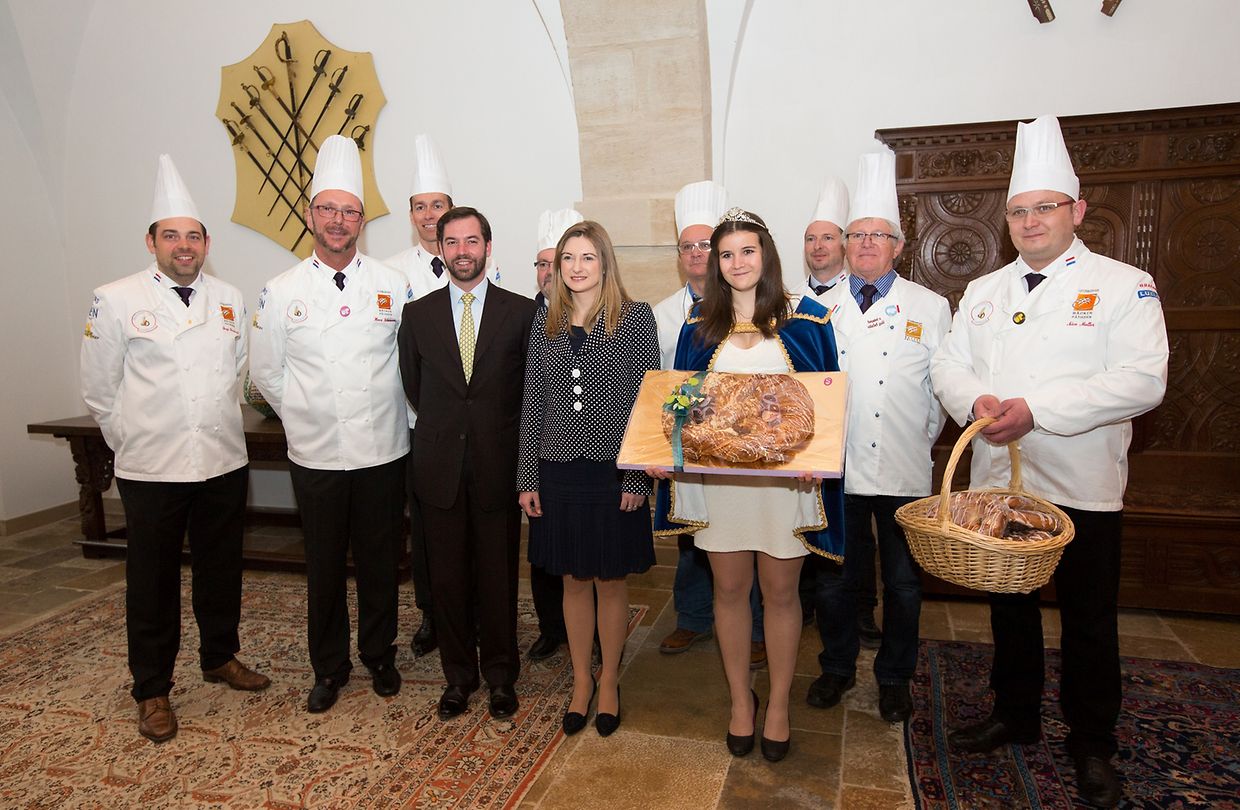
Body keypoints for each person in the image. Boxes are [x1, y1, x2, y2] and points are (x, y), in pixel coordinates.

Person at [930, 115, 1168, 808]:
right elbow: (949, 363)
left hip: (1082, 487)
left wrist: (1038, 409)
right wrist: (975, 399)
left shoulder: (1126, 285)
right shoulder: (985, 291)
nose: (1031, 222)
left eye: (1045, 208)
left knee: (1089, 620)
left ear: (1077, 212)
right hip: (1000, 485)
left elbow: (1142, 380)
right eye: (1019, 211)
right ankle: (1016, 712)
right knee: (1010, 607)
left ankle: (1093, 742)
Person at [81, 154, 269, 743]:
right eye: (172, 236)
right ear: (152, 241)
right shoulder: (113, 300)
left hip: (221, 462)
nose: (183, 246)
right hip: (152, 468)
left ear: (206, 242)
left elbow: (239, 373)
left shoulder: (232, 297)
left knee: (221, 569)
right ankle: (153, 689)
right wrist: (135, 440)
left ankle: (219, 656)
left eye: (193, 236)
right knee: (152, 581)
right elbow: (99, 388)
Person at [653, 208, 845, 762]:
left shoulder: (808, 321)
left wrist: (820, 457)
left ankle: (779, 703)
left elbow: (824, 400)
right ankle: (742, 701)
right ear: (715, 262)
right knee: (730, 592)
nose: (737, 263)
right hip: (721, 485)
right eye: (727, 253)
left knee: (782, 595)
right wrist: (666, 451)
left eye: (748, 251)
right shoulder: (698, 324)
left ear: (767, 255)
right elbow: (680, 403)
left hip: (784, 487)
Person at [250, 135, 412, 713]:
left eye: (349, 212)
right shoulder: (279, 292)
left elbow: (408, 363)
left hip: (384, 450)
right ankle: (329, 666)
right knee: (322, 566)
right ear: (310, 214)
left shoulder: (394, 285)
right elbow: (267, 373)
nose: (338, 221)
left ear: (361, 220)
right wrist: (308, 417)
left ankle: (379, 655)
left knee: (380, 561)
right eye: (328, 210)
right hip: (316, 454)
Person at [811, 147, 951, 723]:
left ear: (898, 245)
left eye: (879, 235)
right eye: (857, 234)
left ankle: (895, 676)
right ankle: (837, 668)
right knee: (835, 583)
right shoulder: (817, 307)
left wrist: (914, 435)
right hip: (837, 467)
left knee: (903, 586)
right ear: (845, 244)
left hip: (902, 468)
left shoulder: (931, 305)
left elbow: (943, 392)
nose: (867, 243)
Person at [518, 221, 659, 737]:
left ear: (605, 263)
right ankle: (581, 679)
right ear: (557, 267)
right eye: (568, 259)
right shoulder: (545, 323)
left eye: (587, 258)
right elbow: (532, 405)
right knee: (573, 580)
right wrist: (526, 476)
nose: (576, 268)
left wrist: (636, 480)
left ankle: (609, 683)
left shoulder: (635, 320)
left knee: (609, 579)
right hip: (557, 473)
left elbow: (644, 407)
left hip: (611, 473)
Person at [399, 206, 537, 721]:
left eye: (471, 241)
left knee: (497, 579)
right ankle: (459, 678)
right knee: (448, 583)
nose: (462, 251)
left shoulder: (521, 313)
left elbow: (529, 392)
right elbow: (417, 387)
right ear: (440, 249)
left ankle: (501, 676)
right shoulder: (419, 315)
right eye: (451, 242)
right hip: (438, 472)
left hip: (498, 469)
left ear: (487, 246)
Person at [384, 134, 496, 658]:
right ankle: (434, 613)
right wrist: (430, 411)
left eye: (438, 206)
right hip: (423, 425)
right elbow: (408, 364)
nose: (430, 216)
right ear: (412, 216)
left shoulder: (484, 269)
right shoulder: (390, 272)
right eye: (420, 207)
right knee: (432, 534)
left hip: (479, 430)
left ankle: (478, 614)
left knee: (478, 534)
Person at [655, 182, 767, 670]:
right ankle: (692, 616)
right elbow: (657, 388)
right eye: (689, 246)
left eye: (708, 245)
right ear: (680, 255)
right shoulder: (661, 314)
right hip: (689, 447)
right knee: (693, 538)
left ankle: (758, 630)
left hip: (754, 451)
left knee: (756, 543)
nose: (698, 254)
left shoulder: (772, 311)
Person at [800, 175, 880, 643]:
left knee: (858, 536)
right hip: (811, 439)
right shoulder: (792, 301)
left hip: (862, 440)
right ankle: (810, 604)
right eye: (811, 238)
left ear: (844, 245)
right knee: (808, 525)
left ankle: (864, 610)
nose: (818, 246)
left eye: (828, 237)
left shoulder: (860, 298)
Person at [524, 208, 585, 661]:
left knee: (591, 565)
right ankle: (550, 627)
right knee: (544, 557)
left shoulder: (617, 317)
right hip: (538, 448)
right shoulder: (523, 317)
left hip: (590, 462)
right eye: (543, 263)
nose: (552, 271)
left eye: (557, 261)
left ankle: (594, 638)